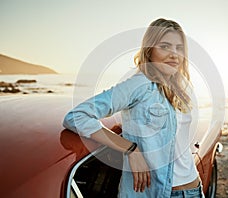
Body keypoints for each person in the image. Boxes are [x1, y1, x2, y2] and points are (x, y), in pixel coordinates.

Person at [63, 18, 205, 198]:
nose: (174, 54)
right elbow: (77, 117)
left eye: (179, 48)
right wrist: (131, 149)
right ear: (149, 49)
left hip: (193, 190)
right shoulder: (139, 84)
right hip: (158, 193)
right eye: (165, 46)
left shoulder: (183, 87)